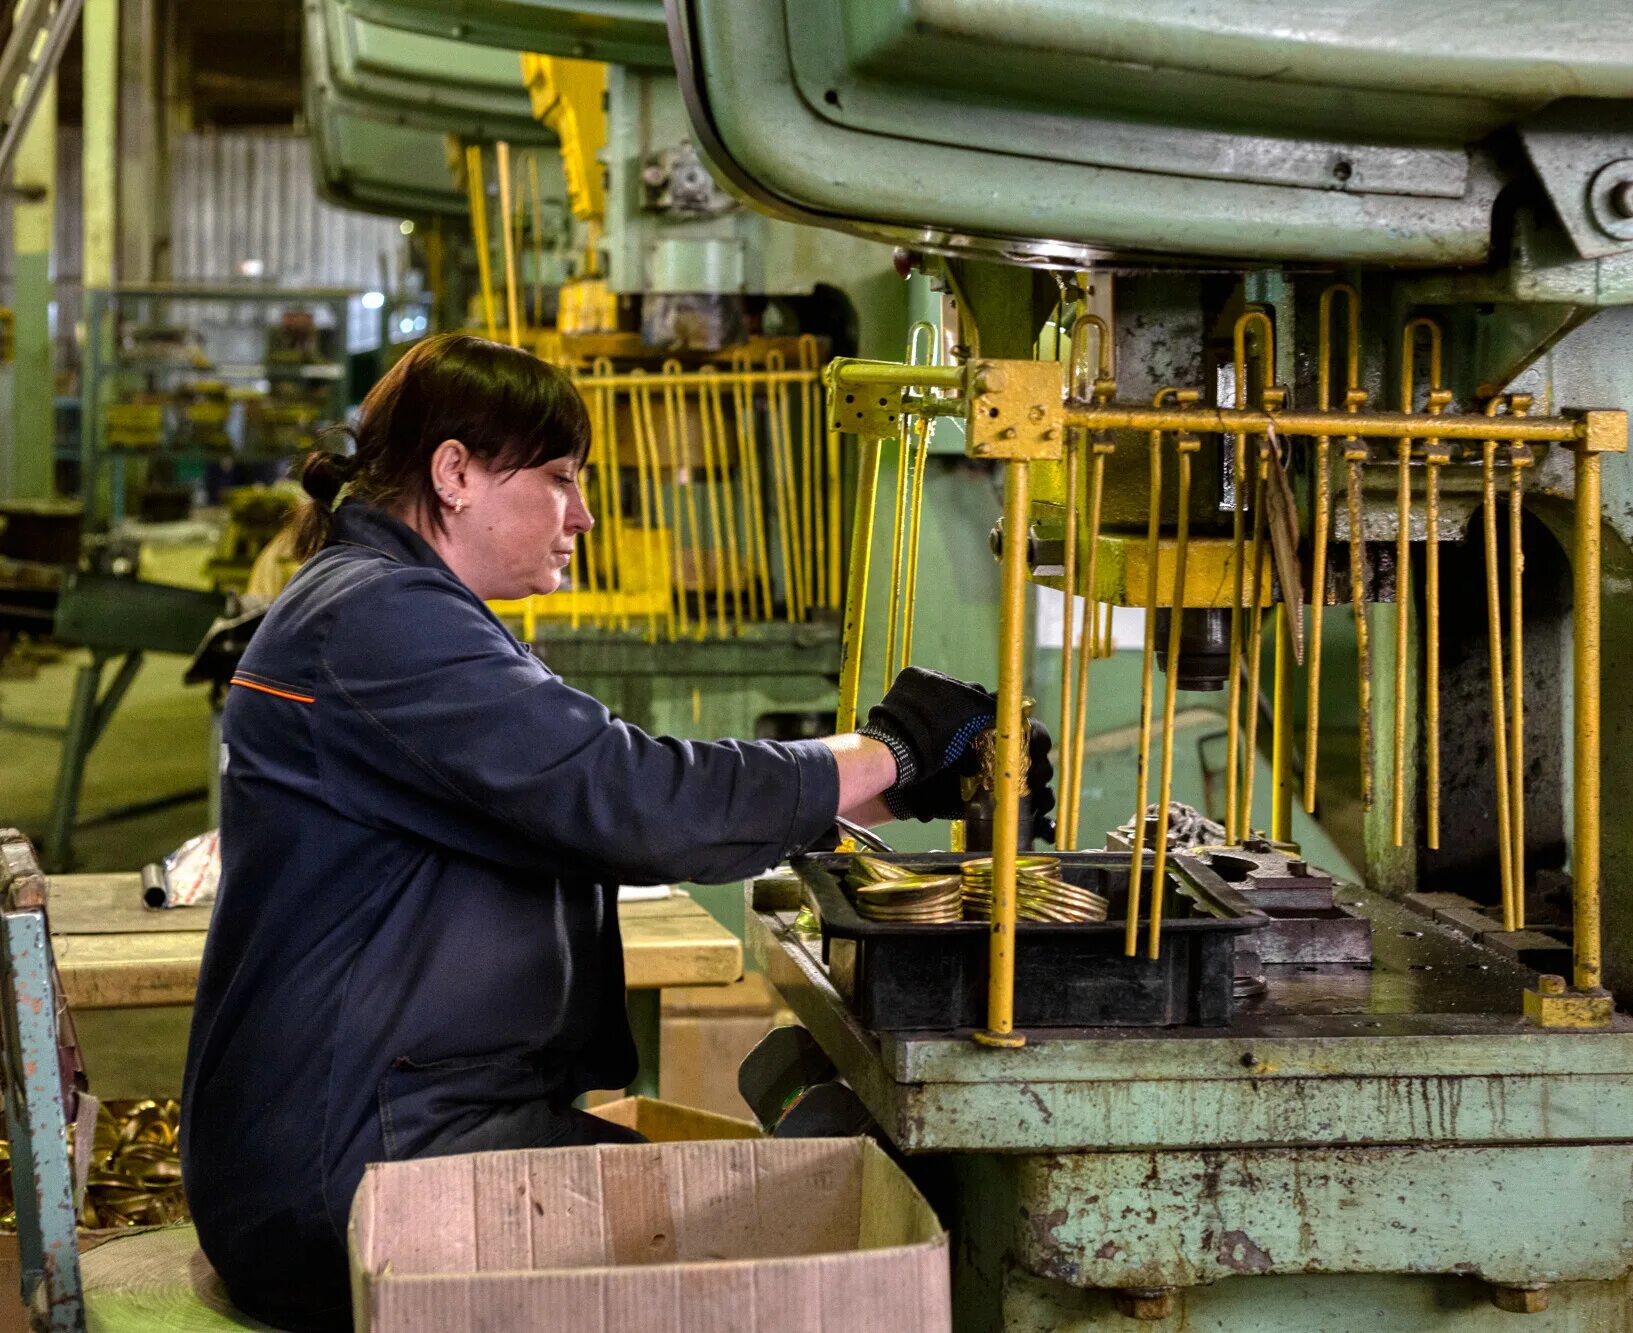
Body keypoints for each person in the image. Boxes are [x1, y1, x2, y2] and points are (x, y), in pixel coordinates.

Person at [180, 333, 1050, 1331]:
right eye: (559, 479)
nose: (583, 515)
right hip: (352, 1172)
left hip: (380, 1127)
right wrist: (891, 749)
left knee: (772, 1210)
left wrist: (902, 789)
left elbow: (576, 799)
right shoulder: (379, 622)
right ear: (455, 472)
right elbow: (631, 797)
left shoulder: (392, 608)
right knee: (802, 1268)